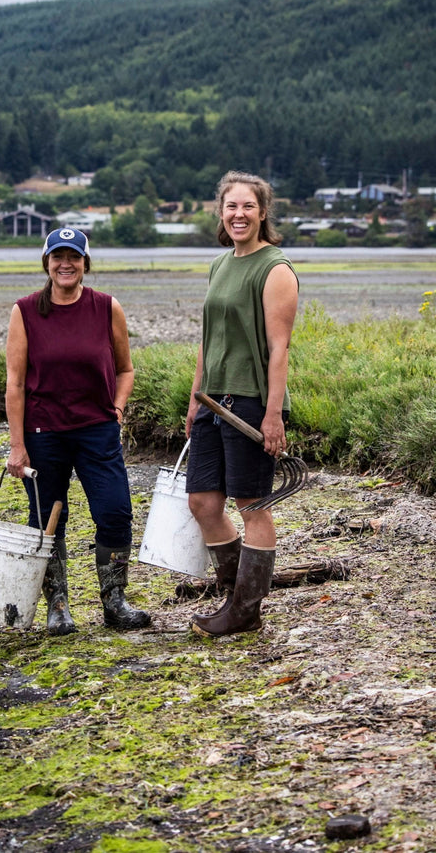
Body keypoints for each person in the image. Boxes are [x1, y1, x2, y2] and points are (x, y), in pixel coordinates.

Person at [5, 226, 151, 636]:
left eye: (74, 257)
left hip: (97, 431)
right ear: (47, 262)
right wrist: (17, 445)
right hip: (43, 433)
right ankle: (57, 606)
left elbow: (126, 369)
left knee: (115, 511)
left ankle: (115, 602)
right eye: (58, 257)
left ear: (86, 263)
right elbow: (15, 383)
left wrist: (117, 410)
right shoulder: (25, 311)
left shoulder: (106, 307)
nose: (65, 264)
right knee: (47, 517)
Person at [185, 170, 299, 638]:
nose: (239, 214)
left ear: (263, 212)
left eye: (248, 206)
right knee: (202, 502)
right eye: (231, 206)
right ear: (221, 212)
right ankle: (233, 596)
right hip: (212, 401)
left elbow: (279, 348)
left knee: (252, 504)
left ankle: (245, 610)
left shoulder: (275, 268)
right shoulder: (220, 264)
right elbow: (208, 338)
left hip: (250, 401)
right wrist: (195, 398)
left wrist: (273, 414)